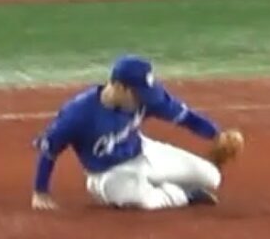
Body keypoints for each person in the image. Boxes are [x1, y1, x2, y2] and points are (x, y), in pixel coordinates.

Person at [31, 55, 243, 211]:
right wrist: (40, 191)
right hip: (108, 174)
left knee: (212, 177)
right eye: (138, 93)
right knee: (144, 202)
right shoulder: (78, 113)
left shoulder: (147, 99)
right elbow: (49, 148)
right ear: (118, 87)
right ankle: (185, 195)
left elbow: (185, 117)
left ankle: (162, 185)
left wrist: (216, 134)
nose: (144, 99)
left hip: (144, 153)